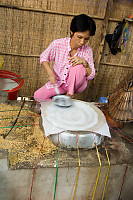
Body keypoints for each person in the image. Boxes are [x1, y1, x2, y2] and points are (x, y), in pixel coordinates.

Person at [34, 14, 96, 102]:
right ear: (71, 32)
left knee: (78, 67)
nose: (82, 42)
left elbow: (91, 76)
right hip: (59, 83)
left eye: (86, 39)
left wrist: (84, 63)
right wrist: (50, 73)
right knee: (38, 96)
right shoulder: (58, 44)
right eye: (79, 37)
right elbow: (44, 57)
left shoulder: (87, 50)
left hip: (76, 86)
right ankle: (59, 105)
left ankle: (69, 95)